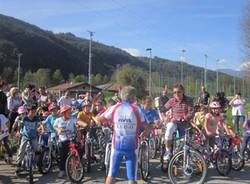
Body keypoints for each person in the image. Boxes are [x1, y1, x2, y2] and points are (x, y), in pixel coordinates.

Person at [99, 86, 151, 184]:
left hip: (117, 146)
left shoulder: (115, 107)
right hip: (132, 146)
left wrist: (110, 124)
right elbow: (148, 127)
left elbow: (100, 119)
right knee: (132, 178)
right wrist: (144, 134)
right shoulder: (137, 109)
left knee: (111, 174)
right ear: (133, 97)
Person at [160, 84, 193, 161]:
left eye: (178, 92)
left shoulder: (189, 100)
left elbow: (191, 113)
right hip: (174, 123)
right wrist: (165, 118)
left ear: (183, 92)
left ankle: (183, 158)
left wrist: (181, 118)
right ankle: (168, 152)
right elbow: (162, 110)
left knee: (184, 143)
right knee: (169, 129)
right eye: (174, 92)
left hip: (184, 123)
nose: (176, 94)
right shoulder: (172, 100)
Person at [16, 103, 44, 175]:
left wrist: (42, 129)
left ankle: (37, 162)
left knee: (37, 150)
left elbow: (40, 124)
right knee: (21, 150)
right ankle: (18, 165)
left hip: (33, 137)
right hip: (25, 136)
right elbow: (20, 126)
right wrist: (18, 132)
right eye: (32, 111)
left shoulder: (36, 118)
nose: (33, 113)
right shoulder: (25, 118)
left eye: (35, 112)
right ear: (28, 111)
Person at [54, 105, 76, 178]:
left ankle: (78, 165)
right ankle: (62, 170)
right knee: (62, 155)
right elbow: (55, 126)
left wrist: (82, 125)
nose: (70, 113)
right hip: (63, 139)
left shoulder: (72, 119)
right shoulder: (58, 120)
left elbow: (78, 122)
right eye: (68, 112)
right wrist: (58, 130)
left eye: (70, 112)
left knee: (80, 148)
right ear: (63, 113)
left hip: (72, 139)